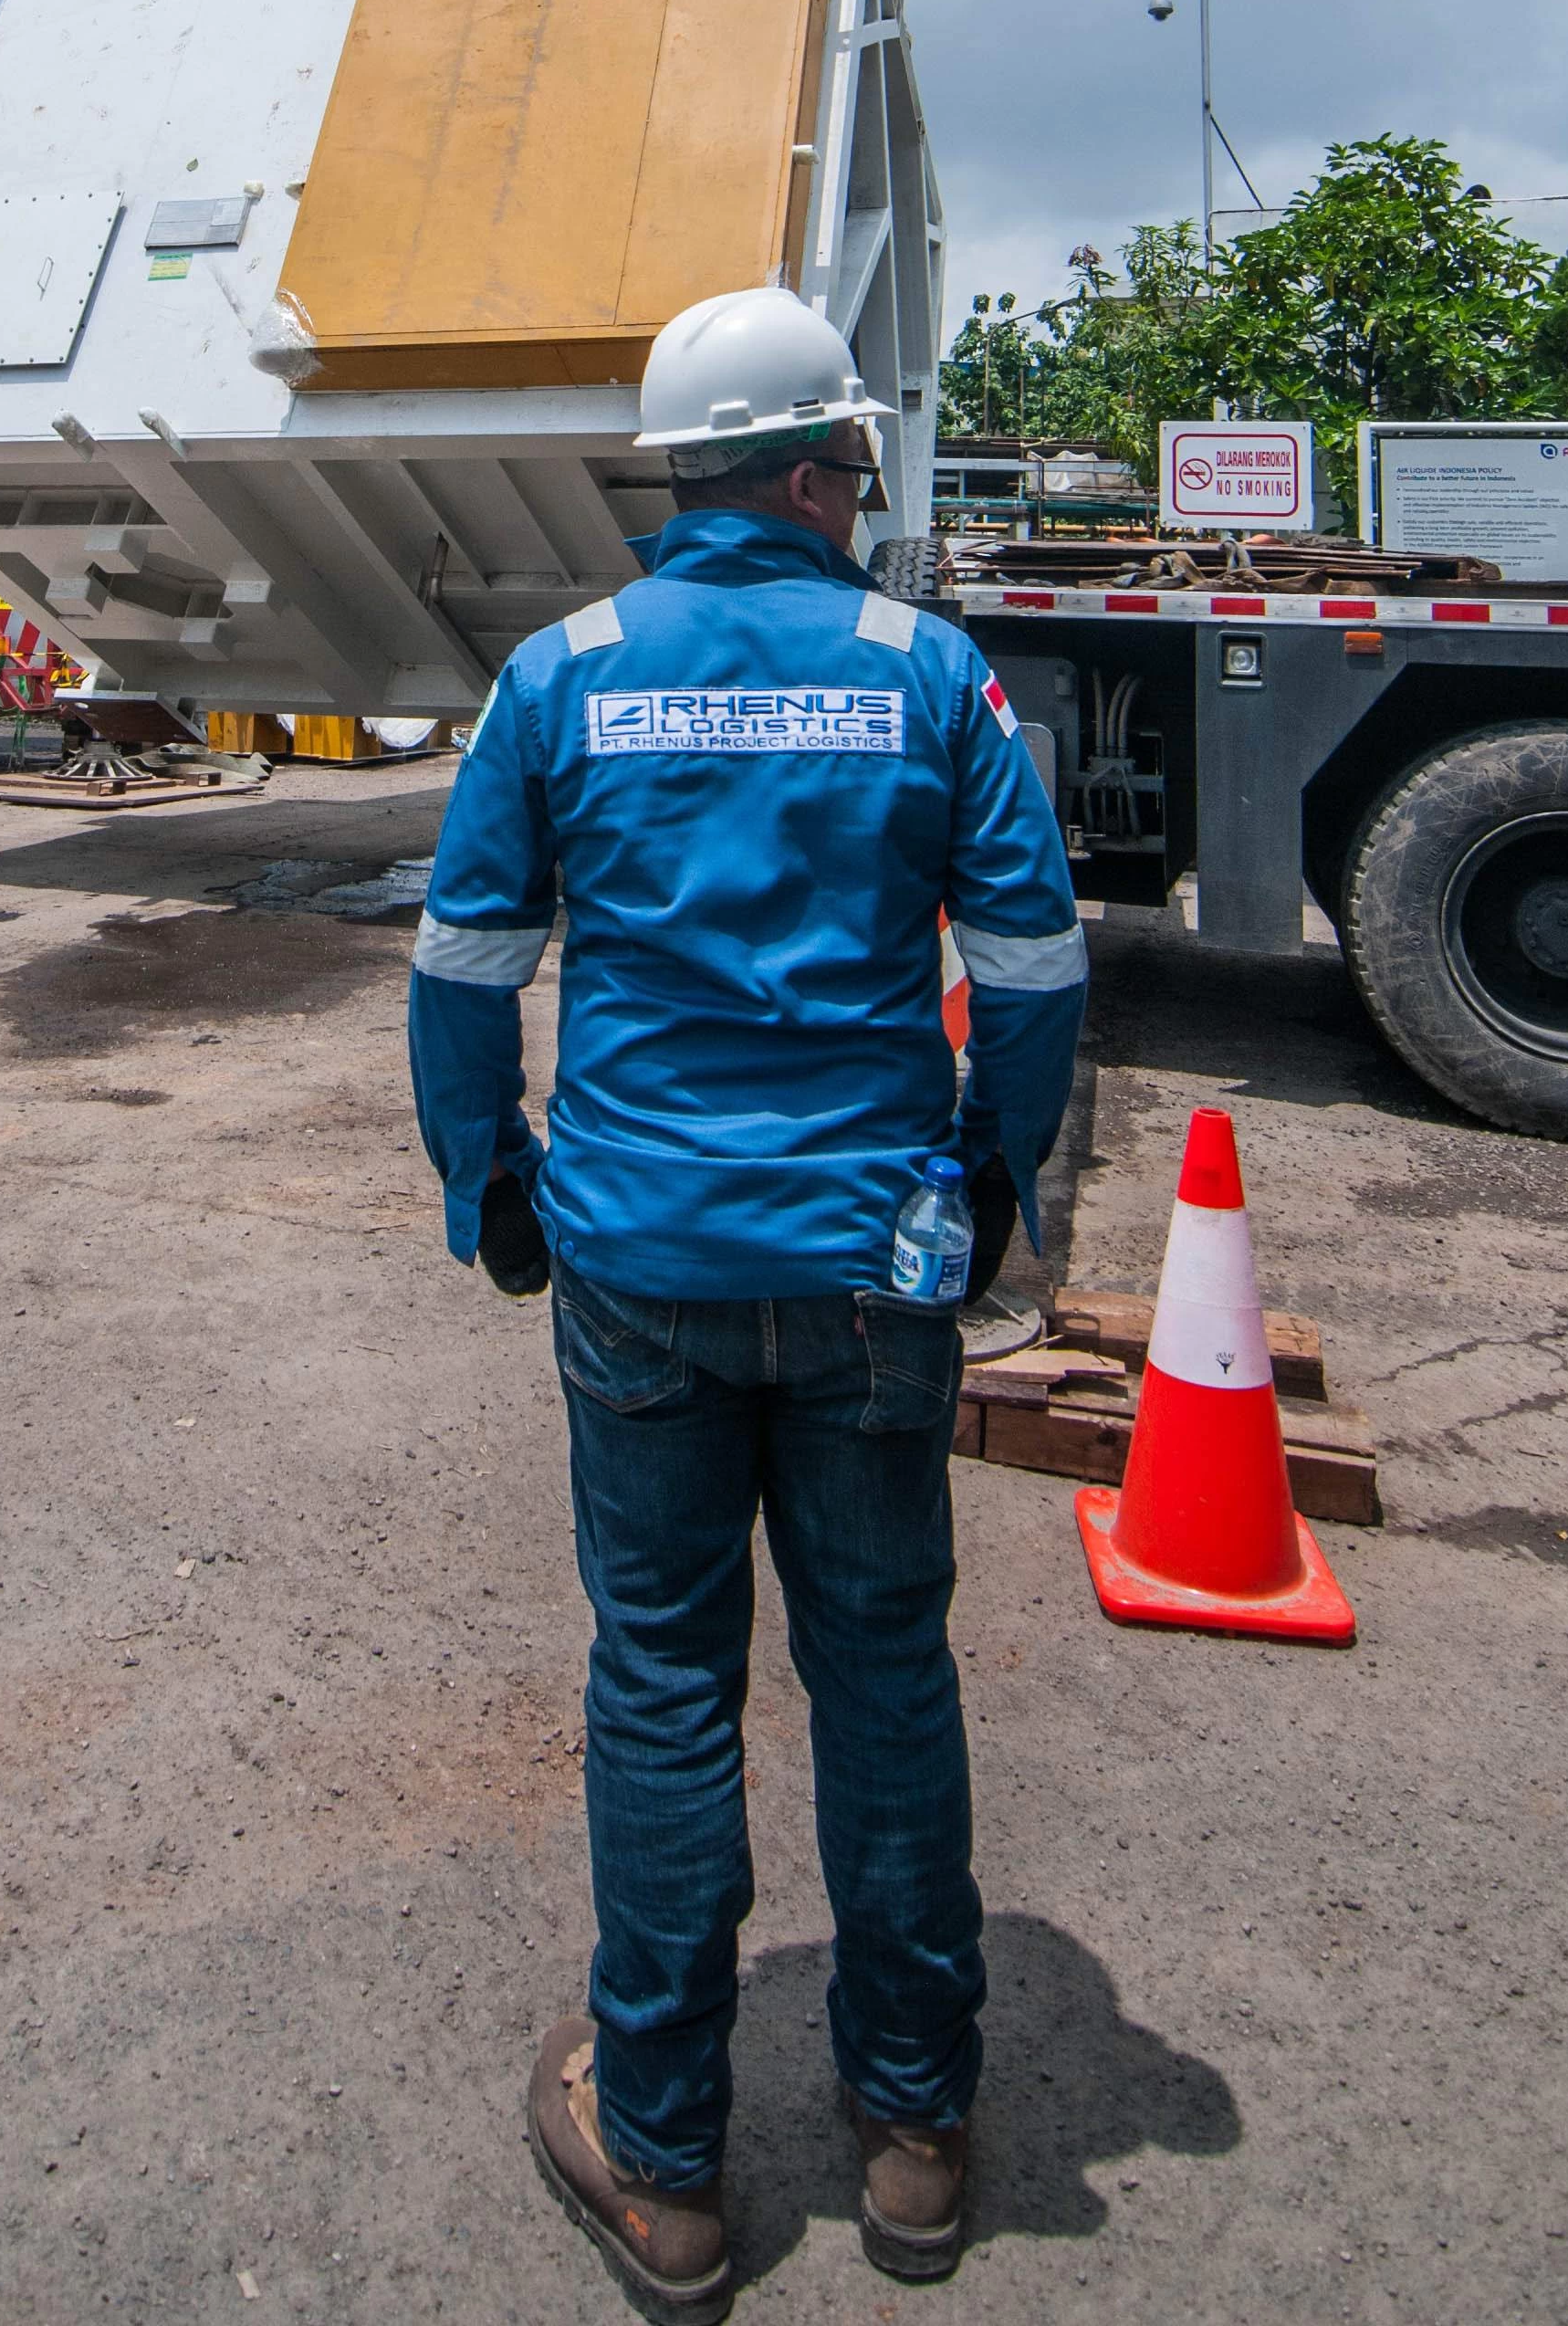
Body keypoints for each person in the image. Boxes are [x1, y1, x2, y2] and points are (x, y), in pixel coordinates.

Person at [407, 288, 1087, 2313]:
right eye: (852, 463)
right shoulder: (924, 671)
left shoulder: (563, 673)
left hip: (635, 1264)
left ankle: (672, 2161)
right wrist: (977, 1186)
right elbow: (1036, 978)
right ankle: (911, 2134)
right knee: (883, 1677)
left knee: (662, 1680)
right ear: (804, 472)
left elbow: (459, 974)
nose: (861, 490)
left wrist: (492, 1189)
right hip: (870, 1261)